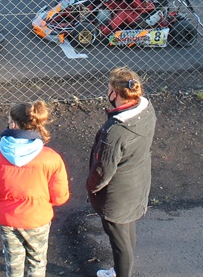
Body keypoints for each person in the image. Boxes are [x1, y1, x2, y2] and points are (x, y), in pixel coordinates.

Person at [0, 100, 70, 277]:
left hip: (8, 218)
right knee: (37, 261)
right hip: (38, 219)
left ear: (14, 124)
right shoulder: (51, 158)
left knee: (13, 262)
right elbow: (60, 197)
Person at [87, 67, 156, 277]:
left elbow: (103, 172)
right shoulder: (147, 110)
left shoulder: (115, 130)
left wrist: (91, 187)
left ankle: (120, 273)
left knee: (119, 241)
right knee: (127, 229)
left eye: (108, 88)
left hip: (117, 194)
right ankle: (120, 270)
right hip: (138, 182)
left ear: (115, 93)